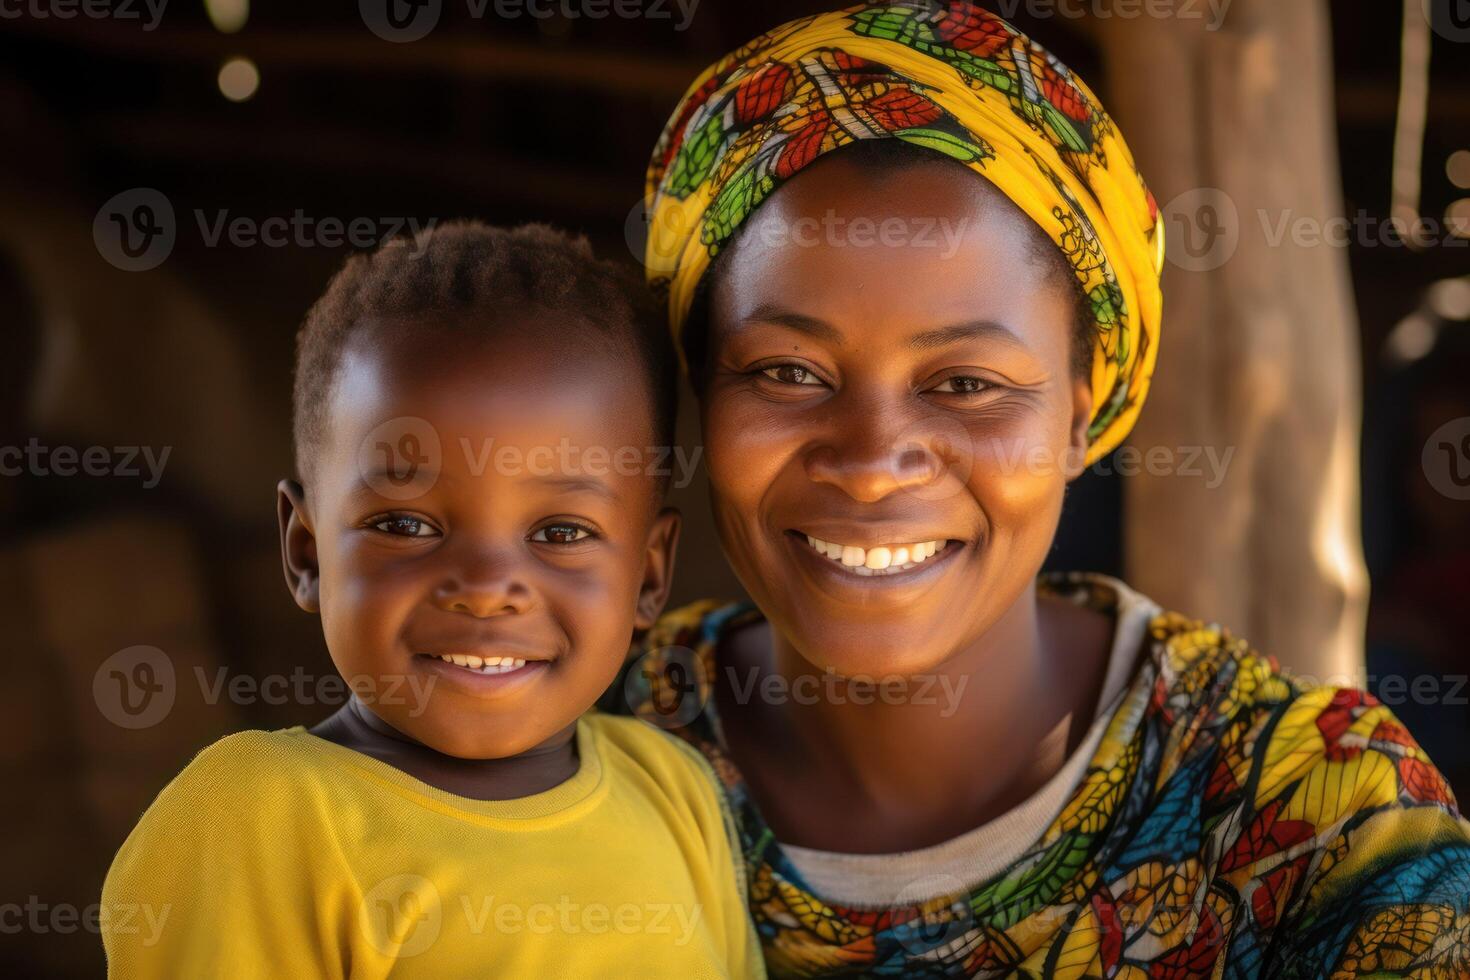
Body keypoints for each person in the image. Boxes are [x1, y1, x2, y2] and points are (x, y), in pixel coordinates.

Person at [618, 2, 1470, 975]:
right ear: (703, 392)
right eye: (787, 372)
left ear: (1078, 416)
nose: (868, 456)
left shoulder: (1314, 817)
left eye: (965, 384)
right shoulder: (584, 729)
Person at [102, 222, 763, 978]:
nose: (485, 589)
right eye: (405, 524)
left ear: (648, 576)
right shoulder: (261, 816)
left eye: (560, 530)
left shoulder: (675, 792)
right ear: (306, 551)